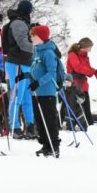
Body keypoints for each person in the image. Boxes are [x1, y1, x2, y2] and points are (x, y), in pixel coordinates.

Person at [26, 25, 61, 157]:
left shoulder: (48, 53)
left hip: (47, 92)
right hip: (37, 92)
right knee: (40, 120)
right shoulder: (36, 51)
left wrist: (38, 83)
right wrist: (25, 76)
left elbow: (51, 73)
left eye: (33, 36)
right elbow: (34, 70)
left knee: (49, 120)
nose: (31, 38)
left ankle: (54, 146)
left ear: (41, 37)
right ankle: (46, 145)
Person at [3, 0, 36, 139]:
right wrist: (37, 47)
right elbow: (23, 43)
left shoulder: (22, 21)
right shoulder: (18, 23)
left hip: (24, 62)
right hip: (16, 62)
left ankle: (30, 125)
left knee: (27, 94)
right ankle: (14, 126)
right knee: (16, 95)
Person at [66, 37, 97, 125]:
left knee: (86, 108)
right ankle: (73, 125)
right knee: (76, 108)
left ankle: (88, 125)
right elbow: (78, 68)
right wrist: (92, 71)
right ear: (85, 46)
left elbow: (87, 69)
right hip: (74, 86)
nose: (90, 49)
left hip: (84, 86)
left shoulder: (85, 56)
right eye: (90, 47)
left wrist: (94, 72)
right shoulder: (72, 55)